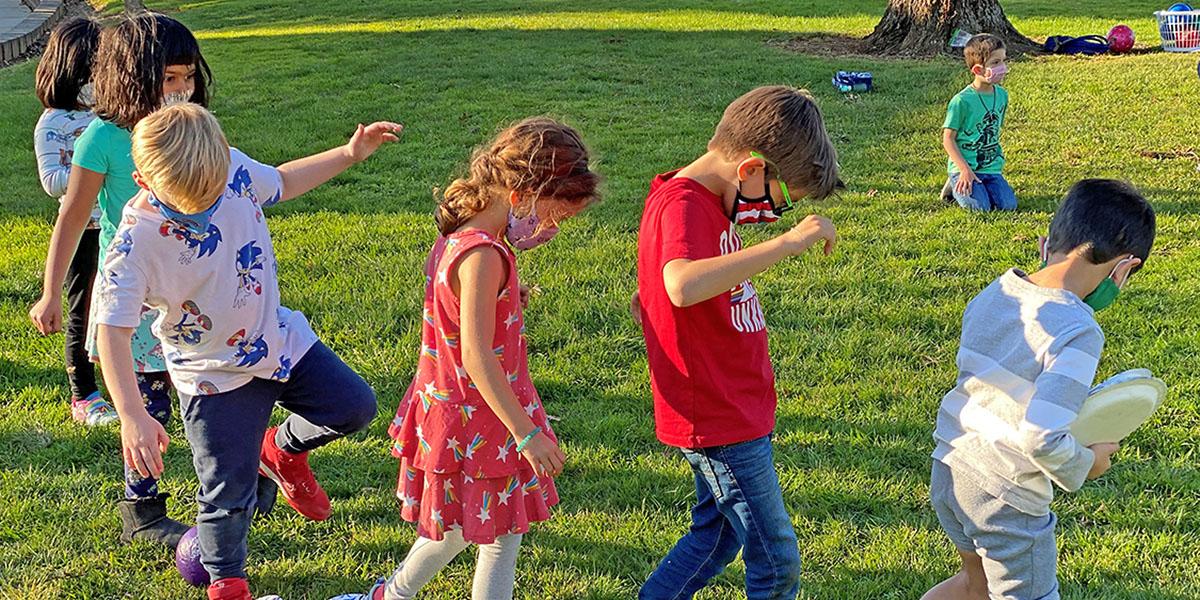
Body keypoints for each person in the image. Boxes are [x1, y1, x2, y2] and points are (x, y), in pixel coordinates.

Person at [92, 103, 400, 600]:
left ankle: (279, 450)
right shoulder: (135, 244)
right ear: (143, 181)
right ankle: (226, 583)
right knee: (226, 493)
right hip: (211, 376)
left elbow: (281, 179)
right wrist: (131, 413)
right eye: (187, 205)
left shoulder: (230, 168)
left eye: (212, 197)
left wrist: (348, 153)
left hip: (274, 341)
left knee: (354, 406)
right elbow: (112, 331)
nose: (205, 210)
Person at [636, 85, 841, 600]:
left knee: (717, 536)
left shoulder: (706, 200)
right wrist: (788, 242)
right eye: (778, 202)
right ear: (750, 170)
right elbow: (680, 285)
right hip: (718, 415)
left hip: (734, 405)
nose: (771, 217)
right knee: (776, 562)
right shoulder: (682, 205)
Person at [922, 180, 1156, 600]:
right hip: (1005, 495)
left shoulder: (997, 291)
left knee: (975, 585)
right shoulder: (1079, 330)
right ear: (1122, 269)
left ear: (1046, 242)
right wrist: (1087, 462)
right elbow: (1041, 438)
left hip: (951, 468)